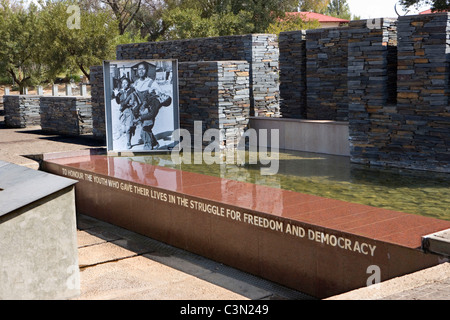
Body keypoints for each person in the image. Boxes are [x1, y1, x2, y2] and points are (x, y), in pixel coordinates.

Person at [112, 77, 141, 149]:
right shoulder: (120, 92)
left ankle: (128, 142)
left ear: (128, 84)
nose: (124, 84)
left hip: (130, 111)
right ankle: (132, 129)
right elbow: (118, 102)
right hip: (122, 112)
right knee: (124, 130)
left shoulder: (131, 90)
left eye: (126, 83)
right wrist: (116, 95)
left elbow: (134, 101)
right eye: (123, 83)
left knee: (128, 129)